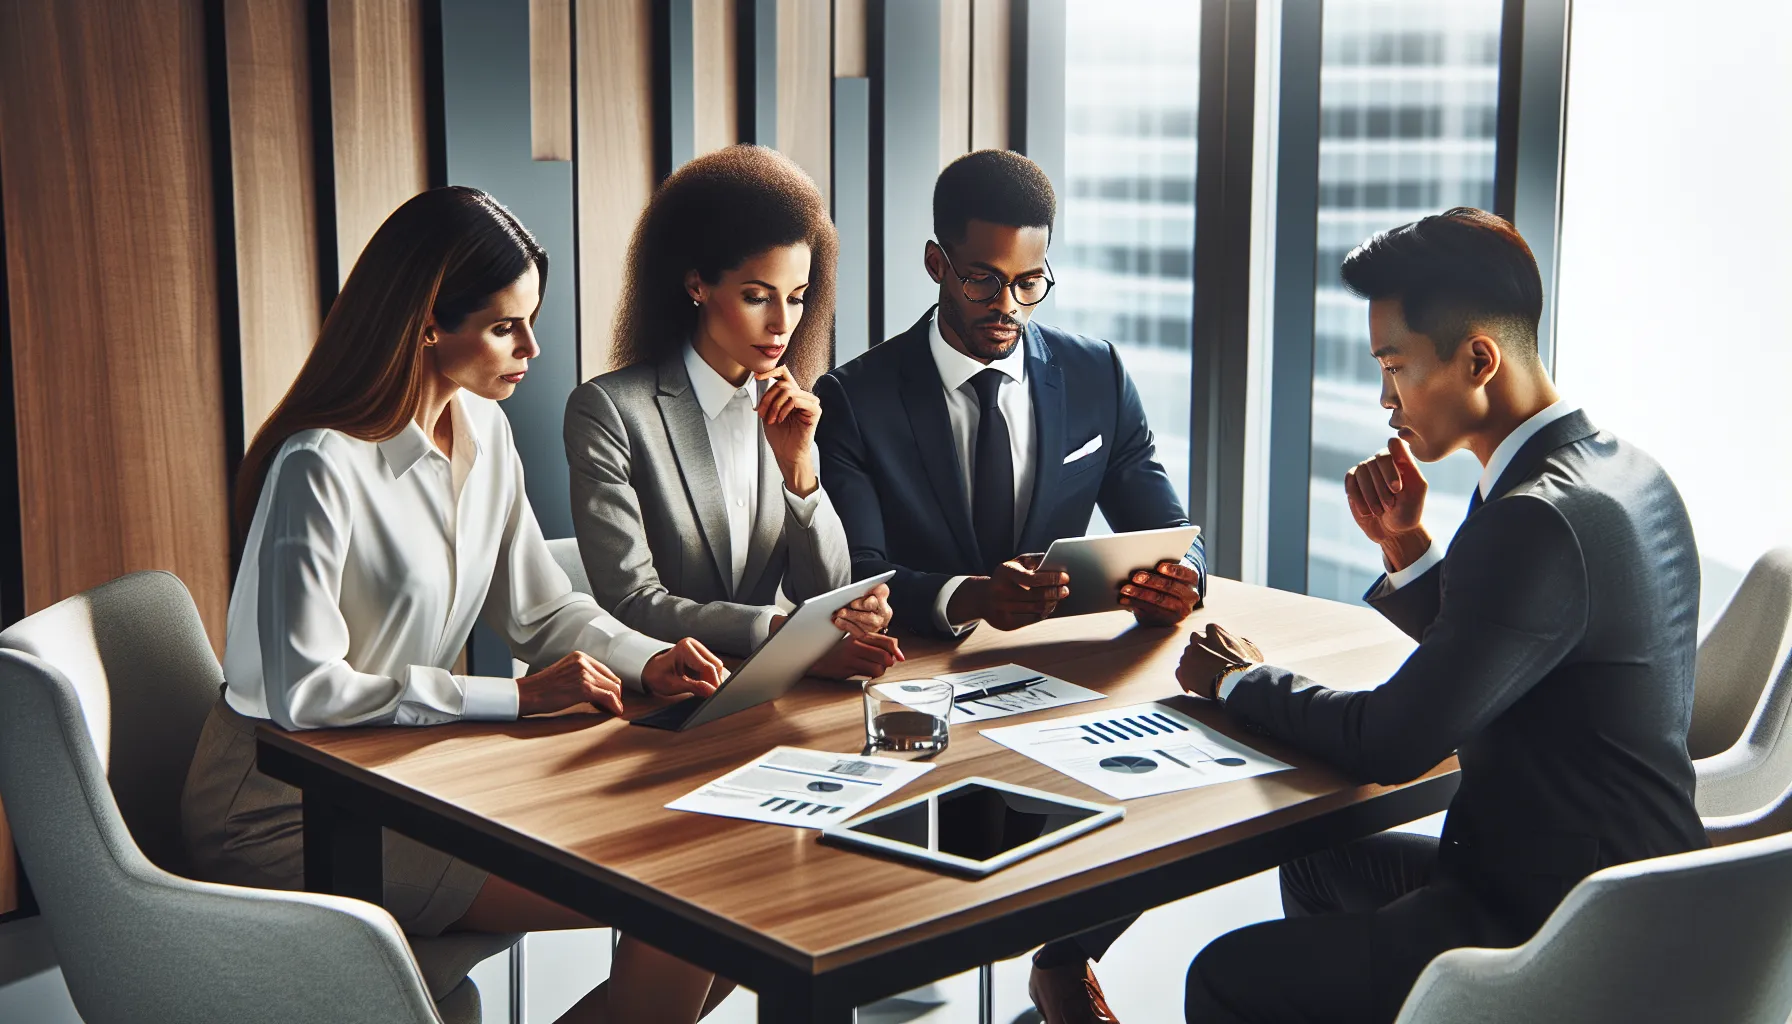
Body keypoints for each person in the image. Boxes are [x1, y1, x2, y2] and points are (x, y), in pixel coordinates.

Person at [180, 187, 737, 1023]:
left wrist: (646, 659)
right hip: (283, 809)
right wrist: (515, 697)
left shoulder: (485, 431)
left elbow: (541, 612)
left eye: (530, 321)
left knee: (720, 898)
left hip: (406, 781)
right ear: (426, 326)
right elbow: (302, 693)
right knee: (689, 910)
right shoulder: (319, 466)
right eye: (506, 326)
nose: (532, 348)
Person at [1165, 208, 1708, 1023]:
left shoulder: (1535, 518)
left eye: (1396, 367)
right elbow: (1514, 652)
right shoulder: (1624, 473)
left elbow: (1392, 741)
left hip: (1555, 932)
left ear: (1479, 359)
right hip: (1645, 898)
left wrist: (1241, 681)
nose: (1386, 400)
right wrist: (1409, 548)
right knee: (1318, 865)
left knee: (1223, 975)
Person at [814, 149, 1206, 644]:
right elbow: (857, 572)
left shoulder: (1097, 374)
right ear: (937, 264)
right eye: (983, 280)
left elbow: (1171, 532)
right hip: (919, 664)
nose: (1008, 306)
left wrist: (1182, 581)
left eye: (1029, 283)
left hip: (1059, 660)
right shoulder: (853, 400)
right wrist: (969, 598)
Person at [564, 145, 900, 678]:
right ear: (697, 284)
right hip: (652, 695)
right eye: (757, 296)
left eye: (797, 297)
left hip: (764, 689)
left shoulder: (792, 406)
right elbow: (630, 602)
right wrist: (772, 630)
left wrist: (800, 471)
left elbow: (824, 593)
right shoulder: (609, 411)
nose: (782, 323)